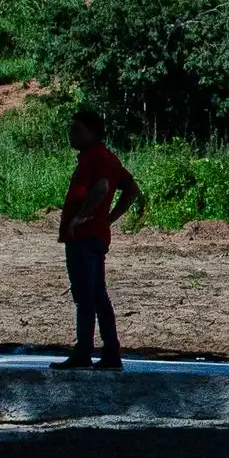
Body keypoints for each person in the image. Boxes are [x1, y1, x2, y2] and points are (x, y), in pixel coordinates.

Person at [56, 112, 145, 369]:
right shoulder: (108, 158)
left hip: (84, 237)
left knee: (85, 297)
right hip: (95, 235)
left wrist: (80, 218)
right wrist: (109, 218)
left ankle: (84, 352)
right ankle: (110, 353)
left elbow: (102, 187)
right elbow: (132, 189)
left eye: (77, 130)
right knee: (97, 295)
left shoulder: (95, 158)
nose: (72, 135)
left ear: (93, 133)